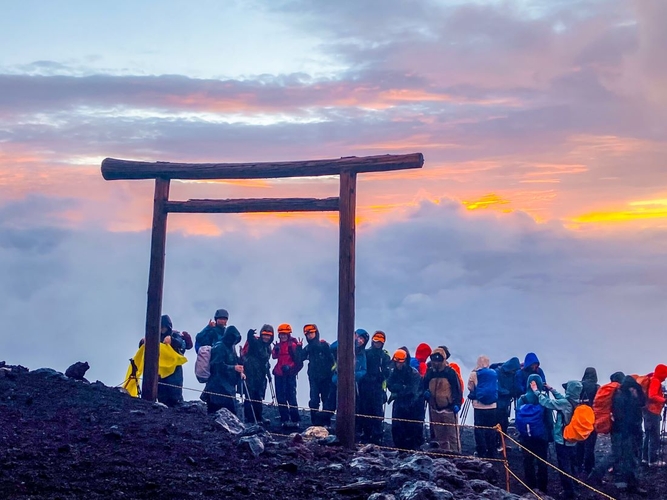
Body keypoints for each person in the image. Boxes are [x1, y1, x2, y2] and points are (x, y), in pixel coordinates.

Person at [530, 378, 582, 500]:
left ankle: (569, 493)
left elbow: (546, 403)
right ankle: (576, 488)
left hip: (562, 441)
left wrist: (536, 391)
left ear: (569, 391)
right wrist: (551, 389)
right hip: (573, 441)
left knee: (564, 468)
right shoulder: (577, 402)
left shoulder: (564, 403)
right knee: (573, 465)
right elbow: (562, 399)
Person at [139, 314, 192, 407]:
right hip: (159, 371)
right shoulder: (153, 337)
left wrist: (172, 340)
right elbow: (142, 349)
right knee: (161, 394)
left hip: (174, 370)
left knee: (175, 395)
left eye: (164, 327)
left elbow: (181, 344)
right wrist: (143, 342)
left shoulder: (175, 335)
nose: (162, 329)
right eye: (160, 327)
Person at [516, 374, 552, 494]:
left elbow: (518, 418)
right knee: (542, 461)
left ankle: (530, 486)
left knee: (527, 461)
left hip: (526, 436)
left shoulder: (522, 399)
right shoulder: (543, 398)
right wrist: (550, 435)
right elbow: (549, 420)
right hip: (542, 436)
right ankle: (543, 488)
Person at [612, 376, 647, 494]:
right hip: (627, 432)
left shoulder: (629, 395)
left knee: (629, 458)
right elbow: (621, 417)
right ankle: (631, 485)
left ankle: (626, 483)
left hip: (632, 431)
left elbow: (642, 403)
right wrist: (627, 432)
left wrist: (637, 393)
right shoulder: (621, 397)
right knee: (630, 459)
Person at [423, 347, 462, 453]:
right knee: (441, 438)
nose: (436, 362)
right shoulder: (430, 373)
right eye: (434, 360)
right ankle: (445, 458)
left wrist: (457, 404)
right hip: (434, 408)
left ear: (443, 360)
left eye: (438, 360)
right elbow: (422, 386)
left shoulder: (450, 373)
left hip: (448, 409)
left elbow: (457, 390)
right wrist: (425, 393)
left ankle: (457, 457)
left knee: (453, 437)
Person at [358, 330, 391, 444]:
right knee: (364, 411)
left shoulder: (385, 357)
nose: (377, 343)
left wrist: (383, 382)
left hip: (377, 388)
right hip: (365, 387)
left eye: (380, 342)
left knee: (377, 412)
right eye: (376, 341)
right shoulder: (365, 353)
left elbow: (387, 374)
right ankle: (366, 435)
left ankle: (376, 437)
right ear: (372, 340)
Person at [387, 348, 424, 450]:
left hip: (413, 405)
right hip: (400, 404)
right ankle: (399, 449)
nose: (398, 364)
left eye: (400, 362)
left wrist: (399, 390)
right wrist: (401, 387)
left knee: (411, 429)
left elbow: (412, 391)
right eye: (396, 362)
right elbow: (390, 385)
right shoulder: (394, 372)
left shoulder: (414, 374)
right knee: (397, 428)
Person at [201, 325, 243, 414]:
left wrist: (239, 369)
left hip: (228, 385)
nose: (234, 341)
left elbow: (234, 361)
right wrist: (234, 368)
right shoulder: (220, 347)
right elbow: (216, 365)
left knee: (229, 413)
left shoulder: (231, 347)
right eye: (233, 338)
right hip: (217, 386)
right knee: (216, 413)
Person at [302, 324, 334, 426]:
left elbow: (332, 360)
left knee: (326, 399)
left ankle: (326, 423)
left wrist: (332, 374)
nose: (310, 335)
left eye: (311, 333)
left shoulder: (324, 345)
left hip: (326, 377)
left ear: (316, 333)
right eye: (308, 334)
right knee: (314, 400)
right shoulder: (308, 348)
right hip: (313, 377)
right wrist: (298, 347)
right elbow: (299, 358)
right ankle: (315, 422)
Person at [241, 325, 273, 425]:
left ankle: (258, 417)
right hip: (251, 373)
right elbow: (251, 341)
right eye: (264, 335)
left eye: (268, 335)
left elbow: (266, 361)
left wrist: (268, 374)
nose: (266, 337)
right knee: (250, 395)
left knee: (258, 396)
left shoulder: (268, 347)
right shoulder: (256, 343)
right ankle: (249, 418)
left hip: (261, 375)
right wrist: (249, 335)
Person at [272, 323, 303, 428]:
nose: (283, 336)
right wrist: (276, 350)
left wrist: (290, 368)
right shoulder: (279, 345)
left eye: (285, 334)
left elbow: (298, 360)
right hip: (279, 373)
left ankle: (295, 420)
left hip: (289, 374)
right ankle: (284, 419)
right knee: (280, 397)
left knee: (291, 396)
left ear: (289, 334)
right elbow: (274, 357)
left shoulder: (293, 346)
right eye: (281, 334)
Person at [468, 355, 498, 458]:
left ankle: (481, 451)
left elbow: (470, 387)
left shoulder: (474, 374)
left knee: (479, 428)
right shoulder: (494, 373)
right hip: (492, 406)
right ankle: (492, 451)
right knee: (491, 429)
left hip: (479, 405)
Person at [642, 364, 667, 467]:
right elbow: (652, 395)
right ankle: (652, 460)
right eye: (665, 374)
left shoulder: (652, 379)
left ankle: (645, 458)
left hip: (648, 411)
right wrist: (664, 400)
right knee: (654, 436)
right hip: (652, 412)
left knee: (648, 435)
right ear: (661, 373)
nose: (665, 377)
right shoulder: (655, 381)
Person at [576, 367, 600, 475]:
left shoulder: (579, 386)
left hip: (580, 419)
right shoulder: (596, 387)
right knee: (590, 445)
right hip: (591, 419)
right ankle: (589, 468)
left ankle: (578, 467)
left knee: (580, 443)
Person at [495, 357, 521, 450]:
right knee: (497, 423)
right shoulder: (497, 372)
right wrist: (508, 392)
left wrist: (514, 392)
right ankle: (496, 444)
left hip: (505, 404)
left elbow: (514, 386)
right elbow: (496, 388)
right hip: (497, 403)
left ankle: (502, 443)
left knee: (504, 423)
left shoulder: (512, 374)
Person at [353, 329, 369, 437]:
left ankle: (356, 429)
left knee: (356, 406)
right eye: (358, 337)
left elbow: (363, 370)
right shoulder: (344, 346)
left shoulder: (362, 354)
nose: (360, 340)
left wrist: (353, 376)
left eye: (362, 339)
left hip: (354, 384)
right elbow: (333, 347)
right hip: (338, 381)